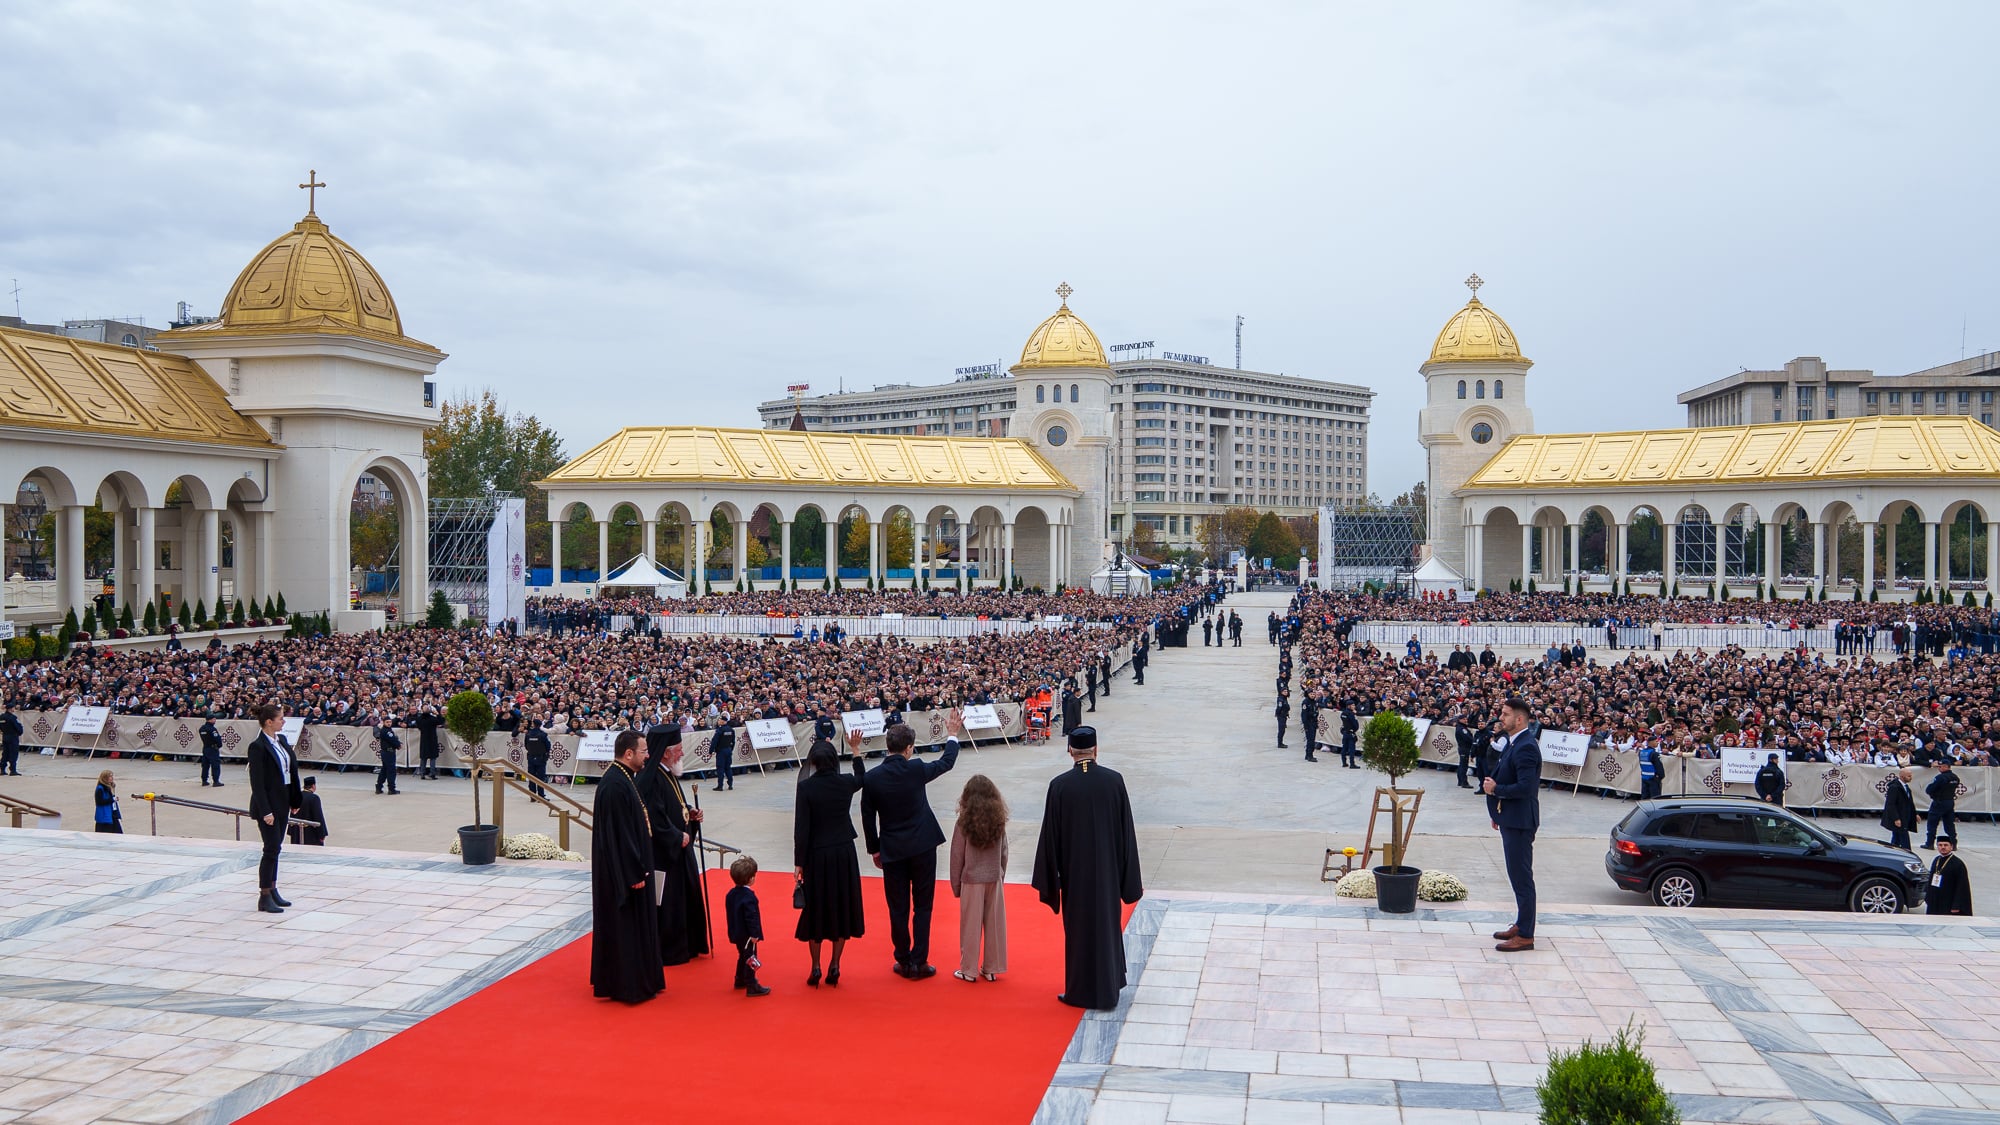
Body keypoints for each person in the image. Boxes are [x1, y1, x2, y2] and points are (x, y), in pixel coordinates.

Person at [1031, 726, 1143, 1010]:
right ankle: (1109, 988)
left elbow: (1050, 837)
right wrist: (1127, 877)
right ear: (1095, 749)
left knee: (1079, 931)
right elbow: (1126, 832)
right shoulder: (1114, 781)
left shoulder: (1059, 786)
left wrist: (1051, 879)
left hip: (1074, 873)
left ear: (1070, 750)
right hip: (1107, 872)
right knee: (1107, 926)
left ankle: (1078, 991)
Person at [860, 711, 964, 980]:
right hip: (922, 846)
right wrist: (952, 734)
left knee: (898, 908)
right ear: (909, 749)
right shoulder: (916, 768)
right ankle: (920, 961)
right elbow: (946, 762)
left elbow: (867, 817)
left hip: (892, 850)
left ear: (887, 746)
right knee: (923, 906)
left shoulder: (872, 778)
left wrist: (874, 849)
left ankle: (903, 959)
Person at [590, 729, 664, 1004]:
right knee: (626, 929)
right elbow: (619, 835)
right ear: (629, 753)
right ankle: (627, 984)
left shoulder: (625, 778)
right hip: (624, 876)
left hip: (633, 869)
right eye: (643, 751)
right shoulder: (614, 785)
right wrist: (633, 873)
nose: (647, 756)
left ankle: (642, 979)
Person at [795, 734, 867, 988]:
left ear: (813, 761)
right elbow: (862, 778)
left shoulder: (805, 788)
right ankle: (835, 964)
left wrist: (798, 862)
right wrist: (856, 750)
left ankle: (815, 966)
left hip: (816, 854)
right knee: (841, 906)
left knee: (815, 909)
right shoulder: (845, 783)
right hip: (843, 852)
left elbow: (801, 828)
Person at [636, 724, 711, 966]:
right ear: (667, 752)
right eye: (678, 749)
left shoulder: (667, 772)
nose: (681, 754)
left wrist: (691, 813)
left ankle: (688, 945)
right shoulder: (651, 778)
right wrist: (676, 836)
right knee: (669, 904)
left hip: (680, 852)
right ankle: (671, 950)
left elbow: (675, 806)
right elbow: (655, 818)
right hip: (664, 857)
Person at [1483, 696, 1541, 952]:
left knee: (1521, 877)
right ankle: (1521, 922)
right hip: (1510, 817)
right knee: (1516, 875)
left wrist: (1497, 790)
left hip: (1520, 821)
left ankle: (1526, 935)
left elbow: (1526, 787)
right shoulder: (1514, 742)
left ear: (1519, 719)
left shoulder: (1526, 746)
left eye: (1505, 714)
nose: (1501, 718)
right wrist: (1498, 814)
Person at [949, 774, 1009, 984]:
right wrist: (1001, 873)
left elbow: (957, 856)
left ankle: (969, 969)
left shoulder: (963, 823)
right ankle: (992, 968)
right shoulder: (999, 820)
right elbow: (1004, 852)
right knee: (994, 925)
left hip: (972, 878)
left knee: (970, 927)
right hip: (994, 877)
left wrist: (956, 886)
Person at [246, 703, 301, 915]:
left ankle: (274, 887)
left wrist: (295, 800)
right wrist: (265, 810)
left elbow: (291, 771)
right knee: (270, 849)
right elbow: (257, 783)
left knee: (276, 847)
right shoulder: (258, 747)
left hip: (283, 800)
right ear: (269, 722)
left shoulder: (282, 741)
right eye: (280, 719)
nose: (284, 722)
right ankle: (264, 894)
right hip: (268, 804)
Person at [726, 855, 770, 997]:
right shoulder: (749, 897)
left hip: (736, 932)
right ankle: (751, 984)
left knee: (742, 955)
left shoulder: (731, 894)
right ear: (751, 878)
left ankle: (739, 979)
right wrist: (755, 934)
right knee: (751, 957)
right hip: (747, 936)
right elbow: (751, 917)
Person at [1926, 836, 1973, 916]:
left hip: (1949, 902)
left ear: (1951, 846)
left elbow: (1962, 887)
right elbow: (1931, 879)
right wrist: (1928, 897)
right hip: (1935, 901)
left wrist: (1956, 905)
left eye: (1945, 845)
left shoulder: (1958, 864)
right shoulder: (1936, 860)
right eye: (1940, 845)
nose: (1943, 847)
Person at [1925, 760, 1960, 849]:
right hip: (1950, 802)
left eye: (1940, 766)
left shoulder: (1940, 778)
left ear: (1946, 767)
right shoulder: (1955, 777)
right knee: (1949, 824)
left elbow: (1930, 789)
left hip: (1939, 802)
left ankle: (1929, 843)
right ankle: (1953, 843)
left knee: (1932, 823)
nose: (1939, 768)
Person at [1882, 767, 1917, 851]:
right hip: (1900, 817)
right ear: (1902, 776)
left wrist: (1915, 814)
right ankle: (1908, 853)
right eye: (1909, 776)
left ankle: (1892, 851)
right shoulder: (1894, 787)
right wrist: (1896, 818)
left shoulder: (1906, 787)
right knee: (1904, 839)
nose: (1911, 778)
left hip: (1905, 816)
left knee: (1896, 838)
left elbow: (1910, 802)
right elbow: (1891, 804)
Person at [288, 777, 328, 846]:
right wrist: (322, 833)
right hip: (310, 833)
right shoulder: (314, 798)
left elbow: (292, 813)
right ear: (313, 786)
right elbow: (318, 816)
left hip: (296, 831)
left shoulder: (296, 796)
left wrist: (291, 831)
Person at [411, 705, 443, 779]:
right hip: (432, 739)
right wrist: (437, 714)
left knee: (423, 757)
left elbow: (418, 726)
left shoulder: (419, 719)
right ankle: (432, 773)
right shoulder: (432, 719)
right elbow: (441, 721)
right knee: (433, 757)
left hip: (424, 739)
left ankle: (422, 773)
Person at [523, 719, 551, 799]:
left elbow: (526, 746)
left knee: (531, 777)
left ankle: (532, 796)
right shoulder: (543, 734)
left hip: (531, 757)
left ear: (533, 724)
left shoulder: (528, 734)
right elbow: (548, 746)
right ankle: (541, 796)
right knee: (540, 778)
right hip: (541, 758)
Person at [373, 716, 400, 795]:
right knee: (391, 771)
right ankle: (391, 788)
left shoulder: (388, 730)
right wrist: (398, 745)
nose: (389, 723)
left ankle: (379, 787)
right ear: (384, 722)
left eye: (390, 722)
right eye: (387, 722)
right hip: (388, 752)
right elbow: (392, 740)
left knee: (384, 770)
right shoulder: (386, 731)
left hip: (387, 752)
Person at [709, 715, 736, 792]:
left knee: (720, 768)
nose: (718, 721)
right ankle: (730, 784)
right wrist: (731, 750)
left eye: (720, 720)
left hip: (721, 751)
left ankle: (720, 786)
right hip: (728, 750)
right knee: (728, 768)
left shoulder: (720, 730)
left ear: (723, 721)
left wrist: (711, 751)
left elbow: (714, 741)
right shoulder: (731, 730)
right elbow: (733, 742)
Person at [198, 715, 224, 787]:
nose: (215, 721)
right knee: (215, 765)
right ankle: (216, 781)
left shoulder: (202, 729)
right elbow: (217, 739)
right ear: (210, 720)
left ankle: (204, 780)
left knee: (205, 765)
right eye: (214, 719)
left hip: (205, 748)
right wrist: (219, 745)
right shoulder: (212, 729)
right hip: (213, 749)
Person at [0, 701, 22, 776]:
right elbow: (18, 728)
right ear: (10, 709)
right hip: (13, 737)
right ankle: (13, 770)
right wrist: (20, 732)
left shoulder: (1, 717)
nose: (14, 709)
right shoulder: (12, 718)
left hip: (5, 736)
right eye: (13, 708)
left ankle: (2, 769)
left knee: (5, 753)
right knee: (13, 753)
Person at [1338, 702, 1360, 769]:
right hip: (1350, 733)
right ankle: (1352, 764)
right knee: (1351, 749)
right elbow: (1355, 724)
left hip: (1345, 732)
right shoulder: (1351, 714)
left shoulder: (1343, 713)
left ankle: (1344, 762)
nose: (1354, 706)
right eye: (1353, 705)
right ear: (1349, 706)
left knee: (1344, 748)